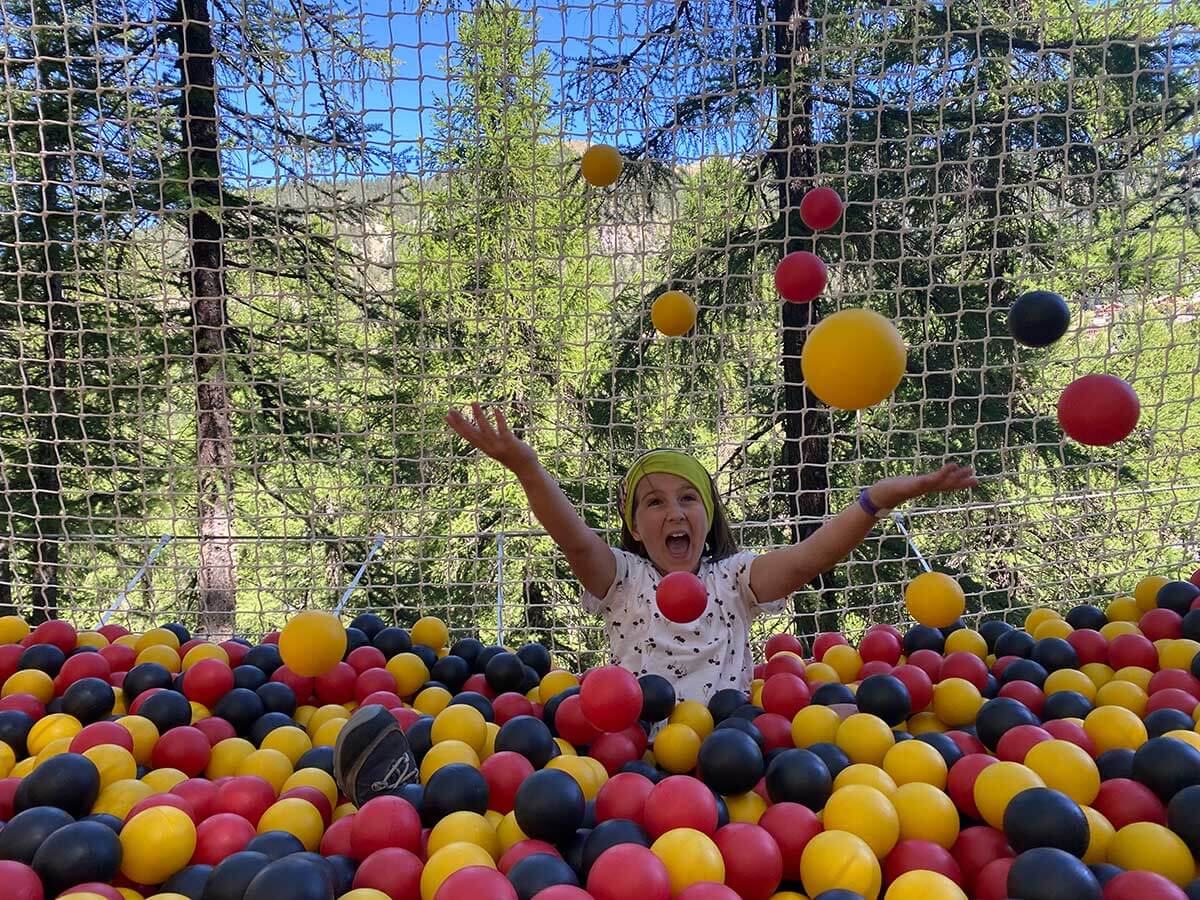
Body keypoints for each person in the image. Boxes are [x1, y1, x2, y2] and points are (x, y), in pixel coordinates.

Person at [333, 401, 976, 804]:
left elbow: (811, 557)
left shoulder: (735, 580)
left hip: (729, 750)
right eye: (654, 501)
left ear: (710, 515)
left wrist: (876, 500)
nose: (674, 512)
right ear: (637, 528)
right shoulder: (626, 580)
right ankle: (403, 794)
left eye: (688, 498)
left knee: (809, 777)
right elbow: (575, 538)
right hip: (629, 753)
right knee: (532, 763)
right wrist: (528, 468)